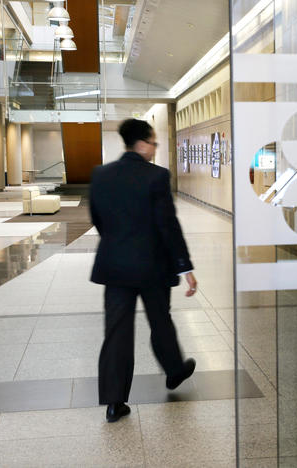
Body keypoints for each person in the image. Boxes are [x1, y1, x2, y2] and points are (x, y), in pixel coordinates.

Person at [90, 119, 197, 423]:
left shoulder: (101, 175)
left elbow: (98, 219)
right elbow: (168, 226)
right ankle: (174, 370)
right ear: (143, 143)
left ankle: (114, 402)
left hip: (115, 267)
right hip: (153, 267)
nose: (154, 149)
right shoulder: (157, 177)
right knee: (160, 321)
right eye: (154, 143)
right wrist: (184, 265)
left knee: (117, 333)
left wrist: (117, 245)